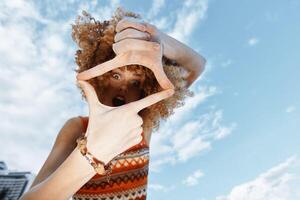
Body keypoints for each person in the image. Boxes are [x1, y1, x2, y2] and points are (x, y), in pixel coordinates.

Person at [19, 7, 206, 200]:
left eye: (135, 81)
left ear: (146, 89)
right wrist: (92, 154)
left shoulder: (142, 128)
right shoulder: (77, 128)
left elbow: (197, 65)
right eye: (116, 75)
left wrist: (156, 39)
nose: (124, 87)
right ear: (99, 77)